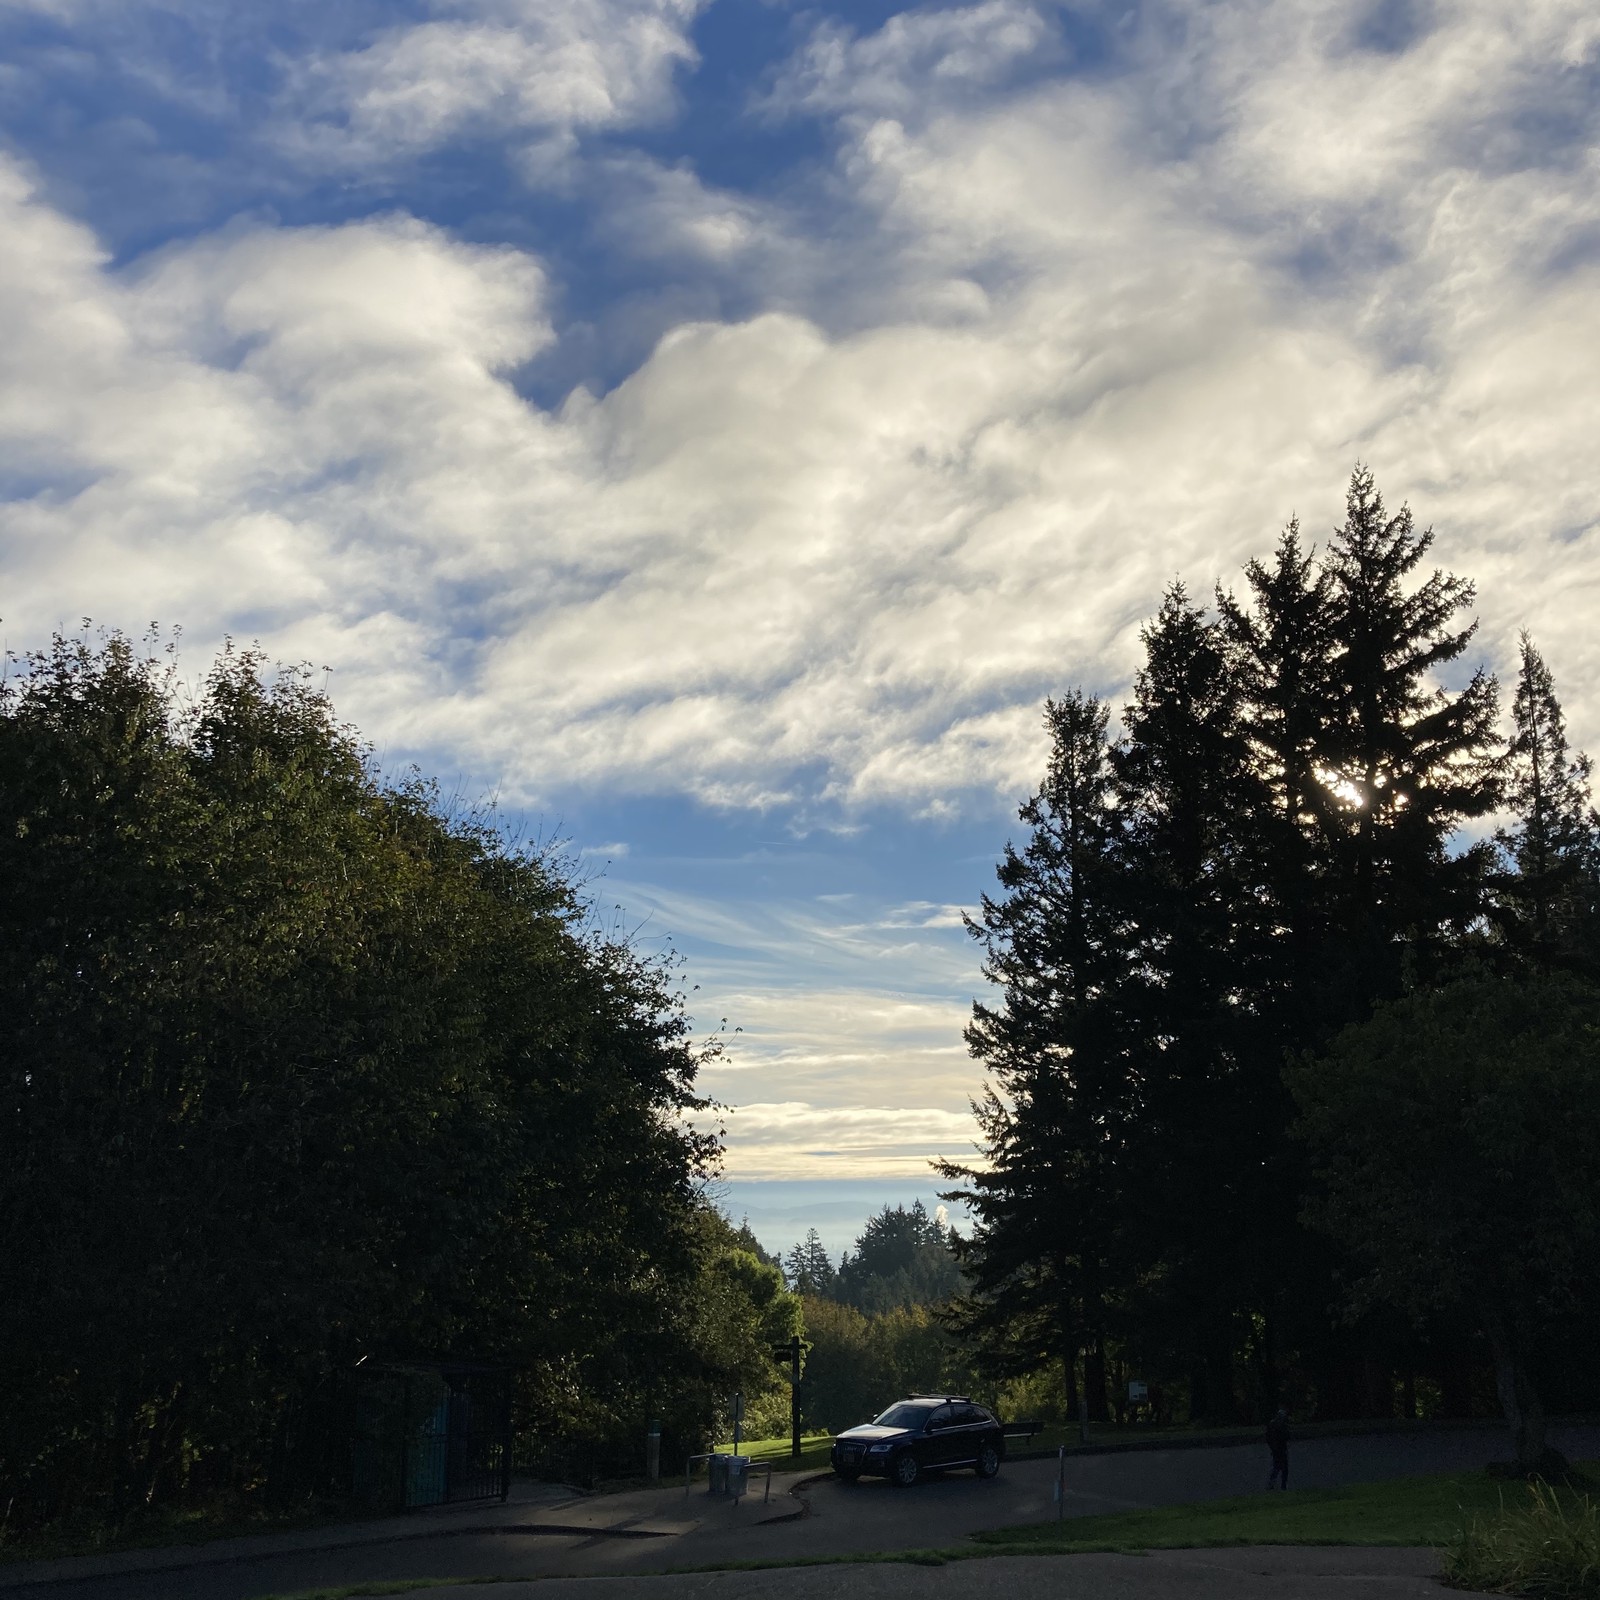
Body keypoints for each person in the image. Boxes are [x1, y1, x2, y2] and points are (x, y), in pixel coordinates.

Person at [1265, 1407, 1290, 1490]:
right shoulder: (1281, 1426)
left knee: (1277, 1467)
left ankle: (1272, 1483)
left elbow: (1268, 1438)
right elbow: (1284, 1437)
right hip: (1280, 1449)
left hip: (1276, 1449)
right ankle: (1283, 1485)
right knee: (1283, 1468)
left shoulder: (1272, 1424)